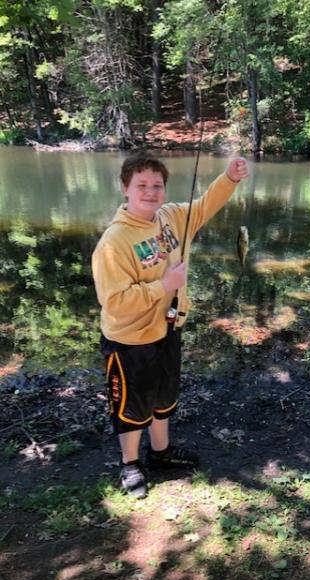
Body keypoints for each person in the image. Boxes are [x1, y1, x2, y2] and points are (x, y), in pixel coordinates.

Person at [92, 151, 249, 498]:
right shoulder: (113, 243)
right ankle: (130, 464)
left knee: (163, 398)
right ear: (125, 188)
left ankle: (161, 453)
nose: (150, 192)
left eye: (157, 185)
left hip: (168, 328)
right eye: (142, 185)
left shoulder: (172, 217)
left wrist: (231, 178)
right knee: (133, 406)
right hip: (130, 339)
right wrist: (163, 286)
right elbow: (114, 301)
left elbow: (205, 205)